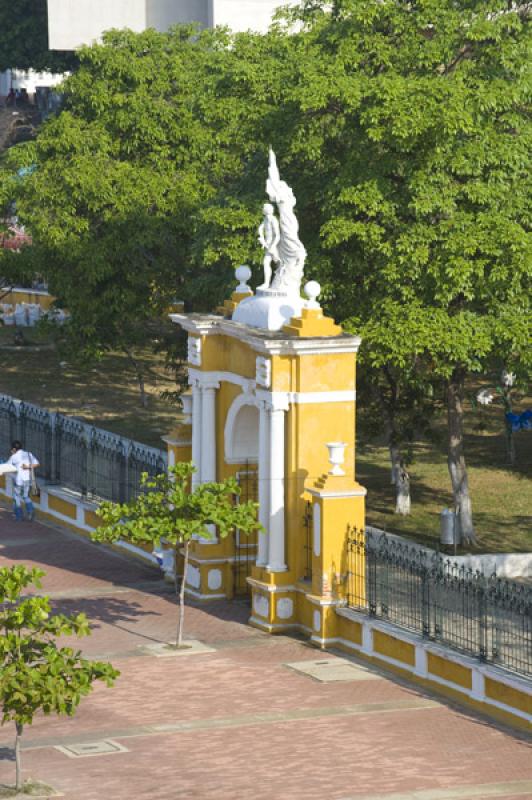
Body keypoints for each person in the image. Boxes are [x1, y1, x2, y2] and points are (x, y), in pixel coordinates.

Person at [6, 440, 39, 521]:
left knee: (16, 497)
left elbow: (8, 466)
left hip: (18, 480)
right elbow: (37, 464)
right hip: (27, 479)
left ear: (14, 449)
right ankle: (30, 512)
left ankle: (19, 516)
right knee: (26, 496)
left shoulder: (14, 456)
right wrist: (27, 467)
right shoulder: (28, 454)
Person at [257, 203, 280, 289]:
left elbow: (278, 235)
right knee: (266, 262)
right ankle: (266, 283)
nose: (262, 209)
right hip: (268, 244)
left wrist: (273, 246)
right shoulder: (266, 219)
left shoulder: (273, 219)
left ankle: (283, 281)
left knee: (280, 263)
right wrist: (262, 237)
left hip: (274, 245)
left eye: (264, 208)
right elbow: (260, 228)